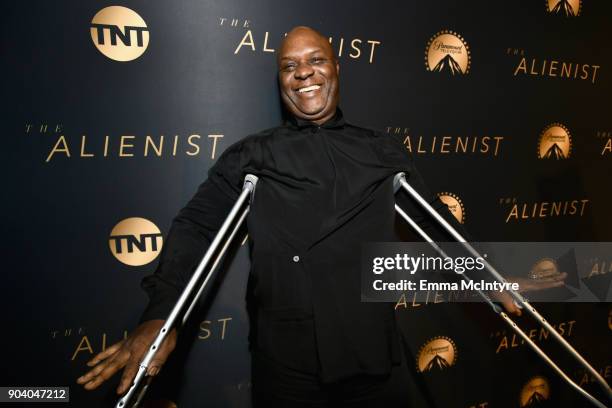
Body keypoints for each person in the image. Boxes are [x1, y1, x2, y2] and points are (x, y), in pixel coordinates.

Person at [77, 26, 565, 407]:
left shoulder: (380, 150)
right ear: (280, 81)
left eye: (315, 61)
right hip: (287, 367)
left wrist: (489, 275)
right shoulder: (252, 156)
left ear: (335, 69)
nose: (303, 73)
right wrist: (160, 318)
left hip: (373, 358)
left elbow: (435, 221)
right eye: (289, 66)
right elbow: (197, 230)